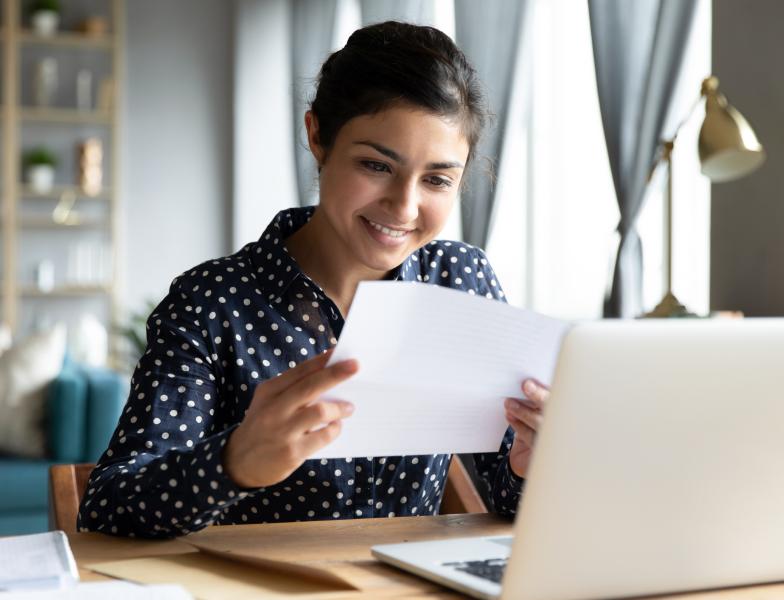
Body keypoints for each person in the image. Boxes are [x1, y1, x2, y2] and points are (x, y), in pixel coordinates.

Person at [78, 20, 548, 539]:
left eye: (437, 179)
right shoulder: (210, 302)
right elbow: (107, 507)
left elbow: (507, 496)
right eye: (376, 165)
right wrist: (231, 463)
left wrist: (532, 465)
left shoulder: (461, 280)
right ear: (317, 136)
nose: (404, 206)